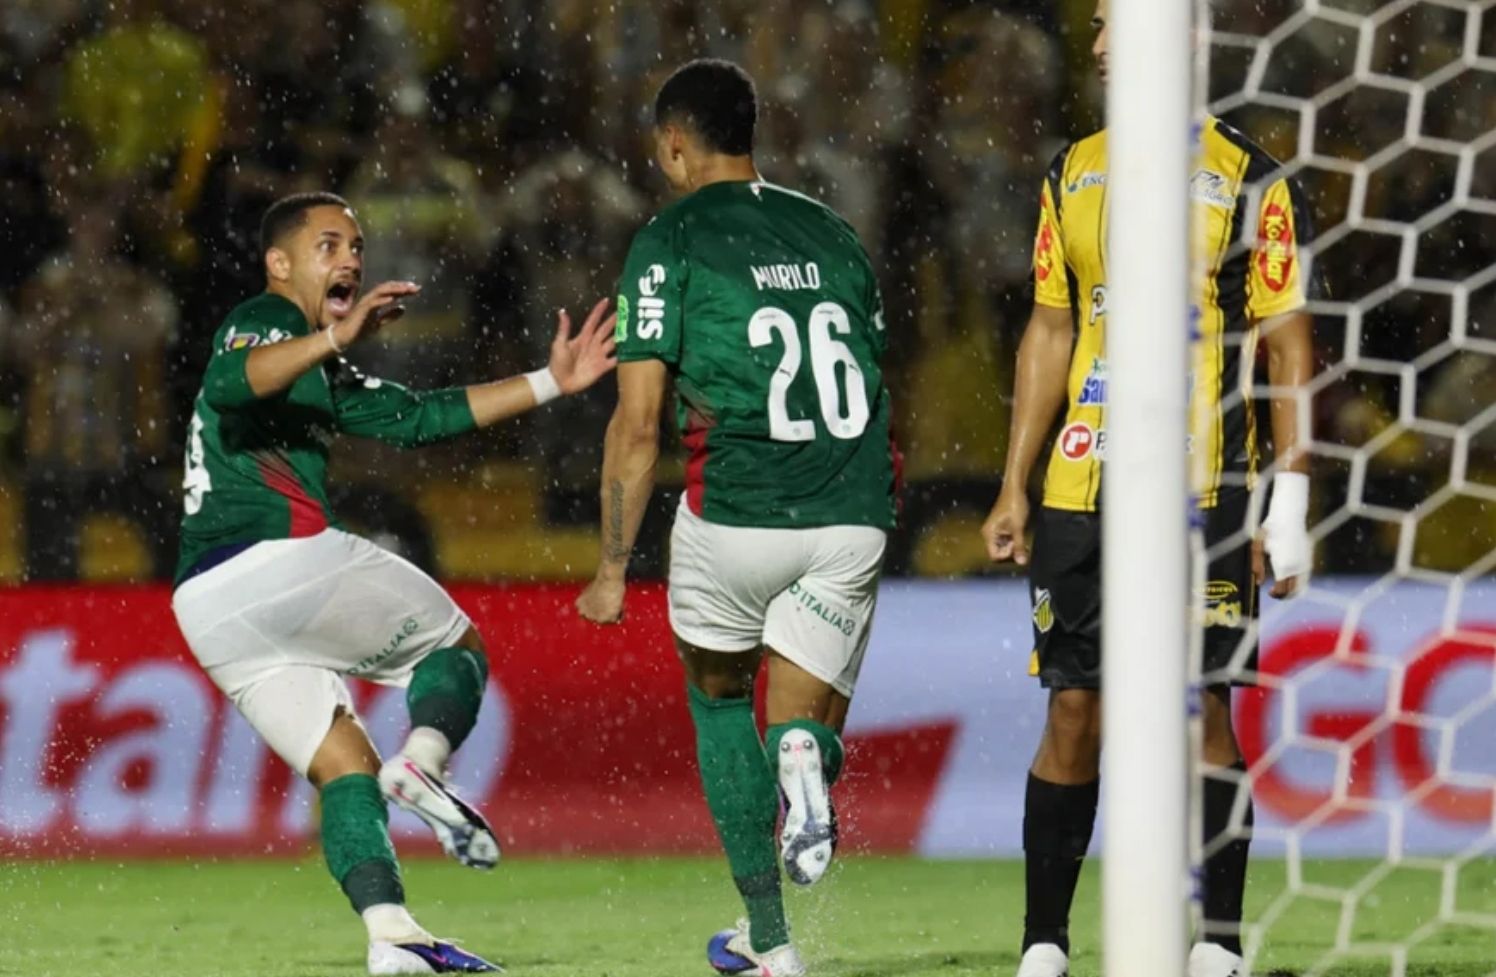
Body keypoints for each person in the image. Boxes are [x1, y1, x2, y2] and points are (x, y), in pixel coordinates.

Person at [171, 191, 616, 975]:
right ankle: (425, 762)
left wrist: (549, 382)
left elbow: (416, 417)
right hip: (277, 558)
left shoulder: (315, 362)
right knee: (456, 644)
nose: (350, 258)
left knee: (344, 767)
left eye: (356, 246)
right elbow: (235, 379)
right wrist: (333, 335)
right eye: (329, 245)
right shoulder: (265, 317)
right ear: (279, 263)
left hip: (209, 607)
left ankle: (393, 935)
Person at [979, 4, 1318, 977]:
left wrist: (1290, 498)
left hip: (1202, 485)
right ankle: (1044, 942)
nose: (1094, 45)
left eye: (1112, 23)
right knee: (1072, 709)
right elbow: (1051, 327)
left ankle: (1217, 943)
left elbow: (1288, 341)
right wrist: (1013, 481)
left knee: (1202, 709)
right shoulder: (1072, 171)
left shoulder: (1249, 178)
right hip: (1081, 487)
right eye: (1094, 25)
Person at [576, 59, 899, 977]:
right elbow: (877, 381)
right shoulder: (832, 230)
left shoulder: (667, 241)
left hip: (737, 513)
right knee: (801, 727)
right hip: (848, 508)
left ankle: (772, 939)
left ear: (675, 145)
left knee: (720, 700)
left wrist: (612, 566)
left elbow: (638, 425)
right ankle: (804, 756)